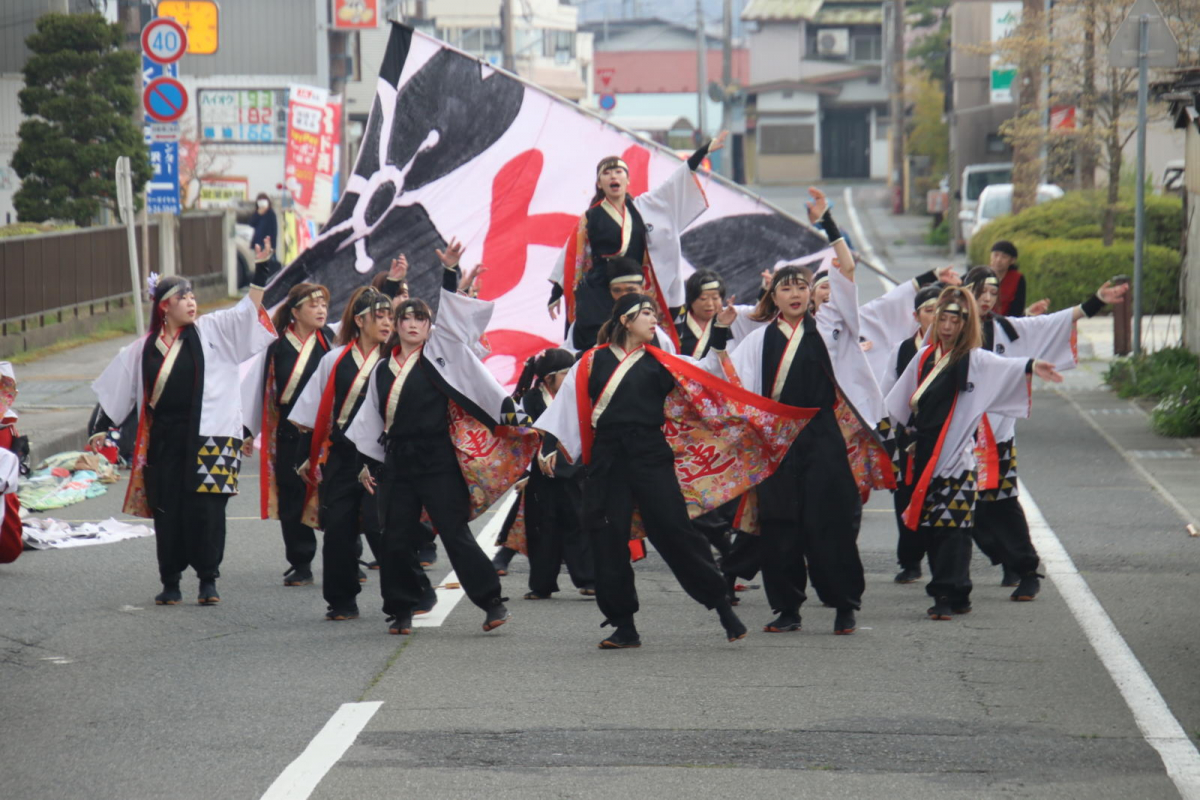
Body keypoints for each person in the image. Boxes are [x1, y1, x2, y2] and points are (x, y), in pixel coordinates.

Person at [536, 292, 815, 649]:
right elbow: (566, 407)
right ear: (625, 320)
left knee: (675, 532)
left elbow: (707, 373)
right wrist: (550, 445)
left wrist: (719, 332)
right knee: (606, 537)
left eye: (654, 313)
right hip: (607, 459)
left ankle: (721, 606)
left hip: (650, 454)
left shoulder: (661, 362)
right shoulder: (590, 362)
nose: (654, 320)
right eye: (646, 314)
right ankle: (624, 624)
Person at [715, 190, 890, 636]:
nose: (794, 293)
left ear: (812, 293)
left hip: (823, 436)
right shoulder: (757, 339)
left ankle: (844, 603)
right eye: (785, 287)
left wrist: (828, 222)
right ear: (772, 295)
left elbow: (847, 268)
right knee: (780, 526)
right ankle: (787, 608)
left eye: (801, 286)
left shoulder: (833, 324)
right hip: (778, 441)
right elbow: (726, 374)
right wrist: (717, 338)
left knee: (829, 522)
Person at [92, 242, 279, 605]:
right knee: (168, 509)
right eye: (183, 296)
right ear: (164, 306)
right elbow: (118, 386)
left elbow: (245, 315)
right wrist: (100, 426)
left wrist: (260, 274)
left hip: (212, 437)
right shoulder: (143, 348)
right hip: (165, 439)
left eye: (193, 295)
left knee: (208, 510)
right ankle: (171, 580)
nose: (192, 301)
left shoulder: (213, 330)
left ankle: (208, 579)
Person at [348, 290, 540, 636]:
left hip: (437, 458)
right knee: (394, 536)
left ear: (429, 326)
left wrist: (450, 275)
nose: (411, 324)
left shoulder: (439, 357)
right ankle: (401, 609)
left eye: (419, 318)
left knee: (454, 533)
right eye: (404, 318)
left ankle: (492, 602)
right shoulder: (380, 369)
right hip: (397, 460)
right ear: (395, 324)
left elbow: (456, 324)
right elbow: (370, 420)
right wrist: (366, 462)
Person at [884, 286, 1063, 620]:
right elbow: (898, 402)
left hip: (958, 458)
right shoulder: (923, 357)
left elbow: (1003, 366)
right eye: (944, 318)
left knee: (953, 528)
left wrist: (1031, 365)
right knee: (933, 527)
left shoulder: (974, 359)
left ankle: (945, 593)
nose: (949, 326)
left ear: (967, 324)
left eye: (956, 319)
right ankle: (958, 591)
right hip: (924, 456)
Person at [964, 266, 1127, 599]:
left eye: (993, 293)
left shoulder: (1008, 330)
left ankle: (1025, 569)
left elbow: (1052, 323)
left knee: (1002, 503)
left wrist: (1095, 302)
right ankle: (1001, 559)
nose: (987, 298)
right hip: (957, 435)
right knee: (966, 507)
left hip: (996, 433)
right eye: (981, 290)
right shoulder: (949, 330)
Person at [548, 132, 730, 350]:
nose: (613, 176)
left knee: (647, 333)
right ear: (599, 182)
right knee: (590, 335)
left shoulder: (644, 207)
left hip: (635, 283)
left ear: (628, 180)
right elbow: (573, 255)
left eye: (618, 171)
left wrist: (701, 152)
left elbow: (674, 182)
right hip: (600, 284)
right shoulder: (590, 216)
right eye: (607, 173)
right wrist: (557, 292)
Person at [288, 286, 403, 621]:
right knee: (338, 529)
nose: (386, 323)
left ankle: (402, 598)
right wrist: (304, 456)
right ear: (359, 320)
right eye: (378, 316)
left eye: (389, 317)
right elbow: (310, 416)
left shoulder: (395, 360)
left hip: (380, 458)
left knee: (381, 528)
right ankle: (342, 600)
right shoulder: (333, 359)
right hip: (341, 456)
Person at [240, 282, 334, 586]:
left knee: (335, 496)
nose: (321, 310)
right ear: (294, 312)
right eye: (313, 305)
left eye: (323, 305)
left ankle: (348, 556)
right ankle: (301, 562)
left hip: (326, 433)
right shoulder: (277, 346)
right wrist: (246, 430)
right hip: (290, 433)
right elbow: (259, 390)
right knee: (294, 499)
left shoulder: (330, 341)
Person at [513, 348, 595, 599]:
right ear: (549, 377)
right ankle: (542, 585)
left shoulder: (578, 396)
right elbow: (519, 436)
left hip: (573, 470)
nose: (572, 377)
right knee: (542, 528)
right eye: (566, 373)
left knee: (578, 524)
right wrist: (523, 473)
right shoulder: (529, 400)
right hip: (541, 473)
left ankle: (588, 579)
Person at [879, 283, 945, 584]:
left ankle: (944, 565)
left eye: (940, 311)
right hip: (908, 434)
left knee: (940, 497)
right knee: (905, 496)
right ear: (916, 316)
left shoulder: (958, 350)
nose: (934, 317)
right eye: (928, 311)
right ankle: (910, 561)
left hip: (944, 435)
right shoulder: (902, 349)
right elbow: (888, 394)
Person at [987, 241, 1026, 317]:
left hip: (1006, 322)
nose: (998, 260)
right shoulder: (980, 273)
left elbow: (1017, 310)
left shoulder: (1017, 278)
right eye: (995, 255)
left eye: (1004, 257)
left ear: (1012, 260)